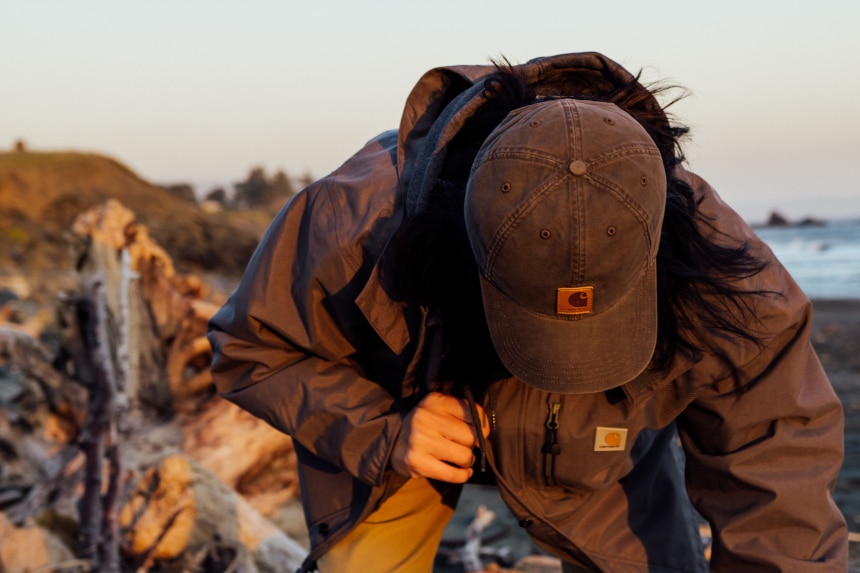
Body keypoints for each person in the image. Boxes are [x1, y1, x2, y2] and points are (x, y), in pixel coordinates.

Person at [207, 52, 848, 572]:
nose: (563, 363)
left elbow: (779, 481)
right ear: (461, 245)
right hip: (397, 422)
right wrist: (384, 434)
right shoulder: (349, 225)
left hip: (601, 450)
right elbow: (249, 349)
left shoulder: (728, 281)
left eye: (597, 333)